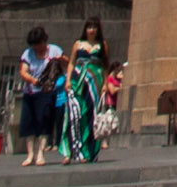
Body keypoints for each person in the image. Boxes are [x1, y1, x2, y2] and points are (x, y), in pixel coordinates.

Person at [58, 16, 110, 163]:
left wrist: (105, 83)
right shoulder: (78, 44)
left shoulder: (102, 45)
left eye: (94, 27)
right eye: (89, 27)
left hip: (94, 82)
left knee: (90, 116)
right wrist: (68, 80)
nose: (91, 30)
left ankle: (86, 153)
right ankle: (68, 152)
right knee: (74, 114)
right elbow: (72, 63)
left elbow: (105, 65)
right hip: (77, 81)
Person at [17, 26, 62, 167]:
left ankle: (40, 154)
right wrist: (33, 80)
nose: (36, 47)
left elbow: (64, 64)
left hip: (47, 92)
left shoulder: (54, 50)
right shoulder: (28, 54)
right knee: (28, 123)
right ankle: (30, 154)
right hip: (31, 92)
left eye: (39, 44)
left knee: (43, 122)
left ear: (44, 40)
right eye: (34, 45)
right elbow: (23, 72)